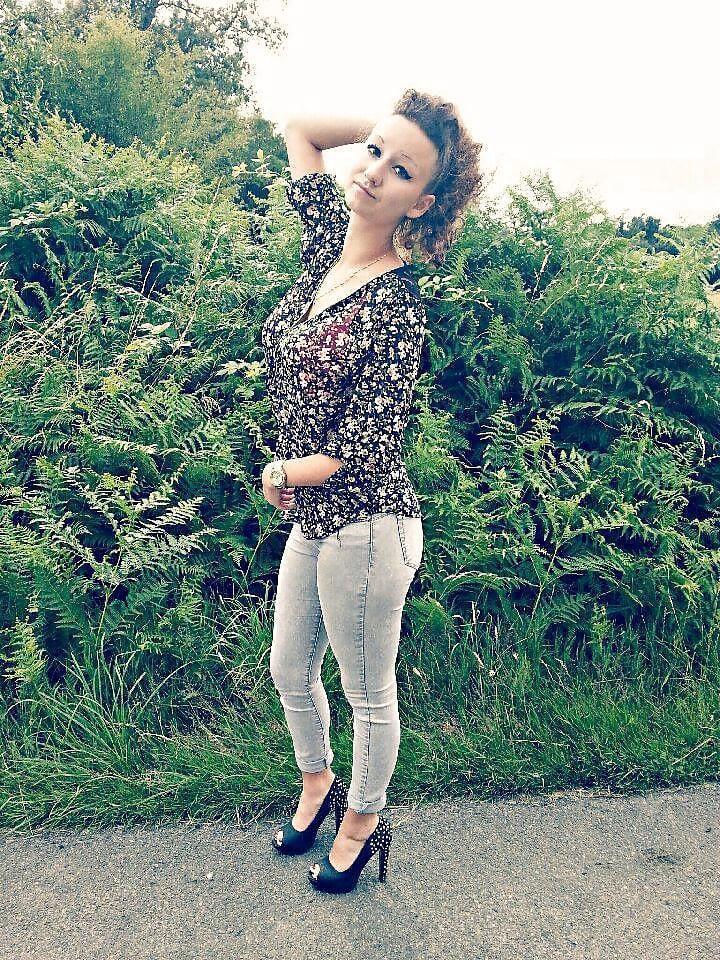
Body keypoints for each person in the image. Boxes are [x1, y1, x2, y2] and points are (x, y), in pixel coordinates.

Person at [261, 88, 483, 893]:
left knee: (366, 690)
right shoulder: (328, 243)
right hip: (317, 517)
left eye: (403, 173)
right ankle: (318, 783)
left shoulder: (396, 302)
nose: (375, 172)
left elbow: (364, 445)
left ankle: (362, 820)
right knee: (290, 669)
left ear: (420, 205)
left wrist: (281, 472)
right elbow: (300, 130)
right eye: (376, 155)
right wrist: (388, 130)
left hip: (369, 524)